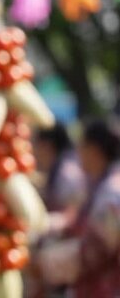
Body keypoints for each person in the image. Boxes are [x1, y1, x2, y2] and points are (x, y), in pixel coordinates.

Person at [39, 119, 120, 297]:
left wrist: (46, 263)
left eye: (82, 145)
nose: (78, 152)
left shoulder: (111, 193)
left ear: (94, 150)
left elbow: (97, 251)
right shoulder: (96, 183)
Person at [34, 124, 87, 234]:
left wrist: (43, 223)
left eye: (37, 146)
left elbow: (72, 216)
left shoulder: (67, 174)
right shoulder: (58, 168)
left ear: (47, 146)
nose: (35, 153)